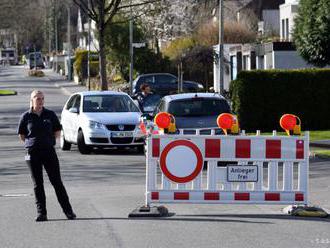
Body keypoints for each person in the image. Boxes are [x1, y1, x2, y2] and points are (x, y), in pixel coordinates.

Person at [17, 90, 76, 222]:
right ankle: (41, 213)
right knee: (37, 184)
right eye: (37, 99)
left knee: (57, 182)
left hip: (49, 152)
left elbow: (57, 131)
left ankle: (69, 211)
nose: (40, 101)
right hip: (32, 154)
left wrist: (49, 142)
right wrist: (32, 143)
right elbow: (22, 135)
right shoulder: (26, 117)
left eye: (42, 99)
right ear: (31, 100)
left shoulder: (50, 115)